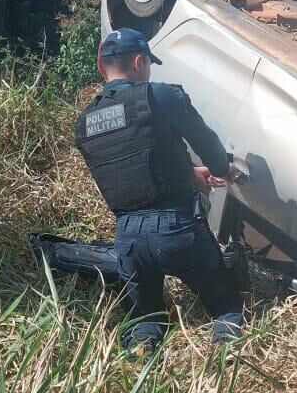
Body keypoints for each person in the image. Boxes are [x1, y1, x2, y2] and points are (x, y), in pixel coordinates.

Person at [75, 27, 244, 351]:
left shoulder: (84, 122)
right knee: (226, 306)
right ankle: (225, 352)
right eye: (149, 64)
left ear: (102, 67)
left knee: (145, 322)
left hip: (128, 241)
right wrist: (225, 169)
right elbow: (207, 145)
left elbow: (133, 167)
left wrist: (187, 174)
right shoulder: (160, 96)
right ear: (140, 62)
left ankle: (141, 353)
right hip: (178, 232)